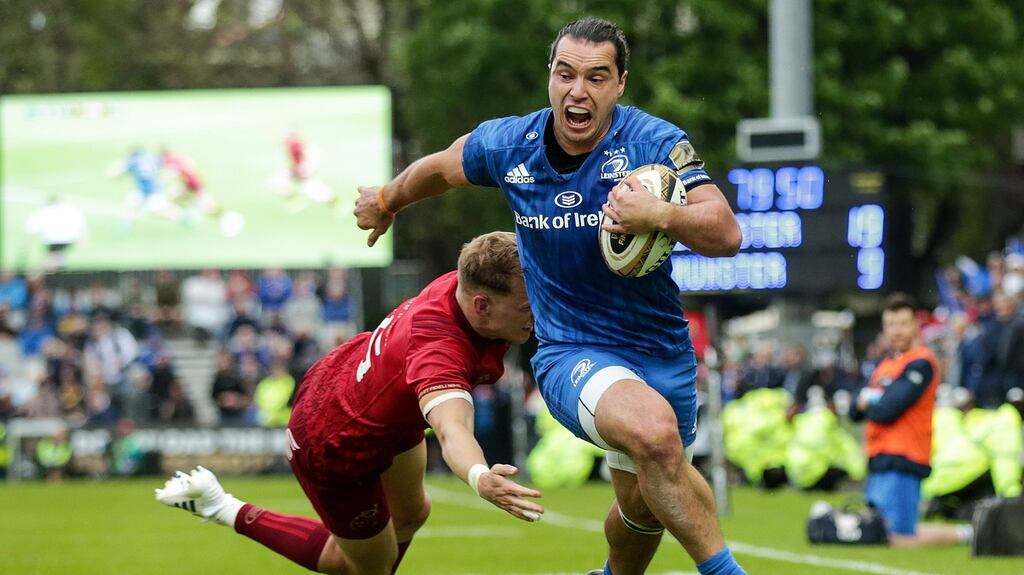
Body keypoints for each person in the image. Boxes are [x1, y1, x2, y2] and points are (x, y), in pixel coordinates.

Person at [353, 17, 745, 575]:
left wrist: (658, 213)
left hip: (662, 351)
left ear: (620, 85)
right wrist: (389, 199)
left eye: (596, 77)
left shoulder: (654, 143)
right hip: (571, 351)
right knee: (655, 438)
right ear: (550, 78)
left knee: (645, 505)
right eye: (565, 74)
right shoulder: (510, 143)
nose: (577, 91)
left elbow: (726, 234)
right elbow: (440, 169)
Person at [156, 232, 542, 575]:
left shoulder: (467, 280)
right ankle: (221, 506)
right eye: (527, 308)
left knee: (413, 512)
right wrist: (479, 475)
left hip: (366, 390)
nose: (537, 313)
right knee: (360, 568)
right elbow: (451, 427)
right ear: (481, 306)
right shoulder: (439, 351)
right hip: (336, 438)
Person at [851, 293, 972, 547]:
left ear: (915, 325)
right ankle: (967, 533)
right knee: (880, 531)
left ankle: (969, 534)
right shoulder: (885, 365)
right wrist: (874, 402)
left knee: (898, 536)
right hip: (878, 455)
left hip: (905, 455)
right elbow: (854, 410)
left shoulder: (921, 362)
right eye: (892, 325)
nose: (897, 331)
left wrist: (870, 402)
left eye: (903, 324)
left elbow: (887, 410)